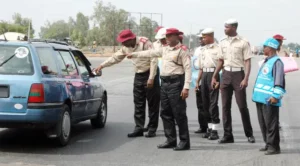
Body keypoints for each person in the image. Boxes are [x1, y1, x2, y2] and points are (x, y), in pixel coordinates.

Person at [127, 28, 191, 151]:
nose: (166, 38)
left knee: (179, 114)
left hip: (176, 83)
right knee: (165, 113)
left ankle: (184, 141)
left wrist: (186, 87)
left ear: (176, 36)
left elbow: (187, 69)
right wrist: (134, 54)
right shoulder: (165, 49)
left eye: (169, 36)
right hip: (165, 83)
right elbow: (149, 53)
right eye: (166, 36)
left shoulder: (182, 50)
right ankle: (171, 140)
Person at [94, 29, 160, 138]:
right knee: (138, 103)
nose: (122, 44)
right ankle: (139, 128)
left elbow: (154, 59)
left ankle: (152, 128)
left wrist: (151, 78)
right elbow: (115, 58)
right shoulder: (126, 47)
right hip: (139, 74)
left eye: (124, 41)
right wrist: (102, 65)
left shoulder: (145, 43)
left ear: (131, 39)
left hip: (150, 73)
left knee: (153, 103)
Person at [211, 19, 255, 144]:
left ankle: (249, 134)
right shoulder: (222, 42)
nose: (224, 29)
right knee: (225, 107)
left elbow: (247, 61)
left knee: (242, 106)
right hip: (225, 74)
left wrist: (246, 78)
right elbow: (220, 60)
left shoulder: (243, 42)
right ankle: (227, 135)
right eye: (224, 26)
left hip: (238, 75)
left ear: (234, 28)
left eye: (227, 27)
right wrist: (215, 76)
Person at [252, 38, 285, 155]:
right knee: (263, 123)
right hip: (260, 98)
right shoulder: (266, 60)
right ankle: (268, 143)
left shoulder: (277, 62)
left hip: (270, 99)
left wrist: (276, 96)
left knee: (271, 124)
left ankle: (274, 147)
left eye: (265, 46)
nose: (263, 48)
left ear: (270, 48)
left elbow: (279, 80)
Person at [197, 28, 220, 140]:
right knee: (205, 104)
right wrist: (198, 81)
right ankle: (209, 128)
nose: (203, 39)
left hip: (213, 75)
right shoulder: (203, 50)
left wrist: (215, 77)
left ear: (210, 36)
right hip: (204, 75)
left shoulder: (218, 48)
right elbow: (201, 67)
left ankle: (215, 130)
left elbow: (221, 63)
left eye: (204, 37)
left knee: (213, 104)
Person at [194, 32, 208, 134]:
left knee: (208, 104)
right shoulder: (197, 50)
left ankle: (210, 127)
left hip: (208, 77)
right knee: (200, 104)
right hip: (198, 78)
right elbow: (195, 66)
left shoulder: (213, 49)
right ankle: (202, 126)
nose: (200, 40)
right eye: (199, 38)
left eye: (202, 38)